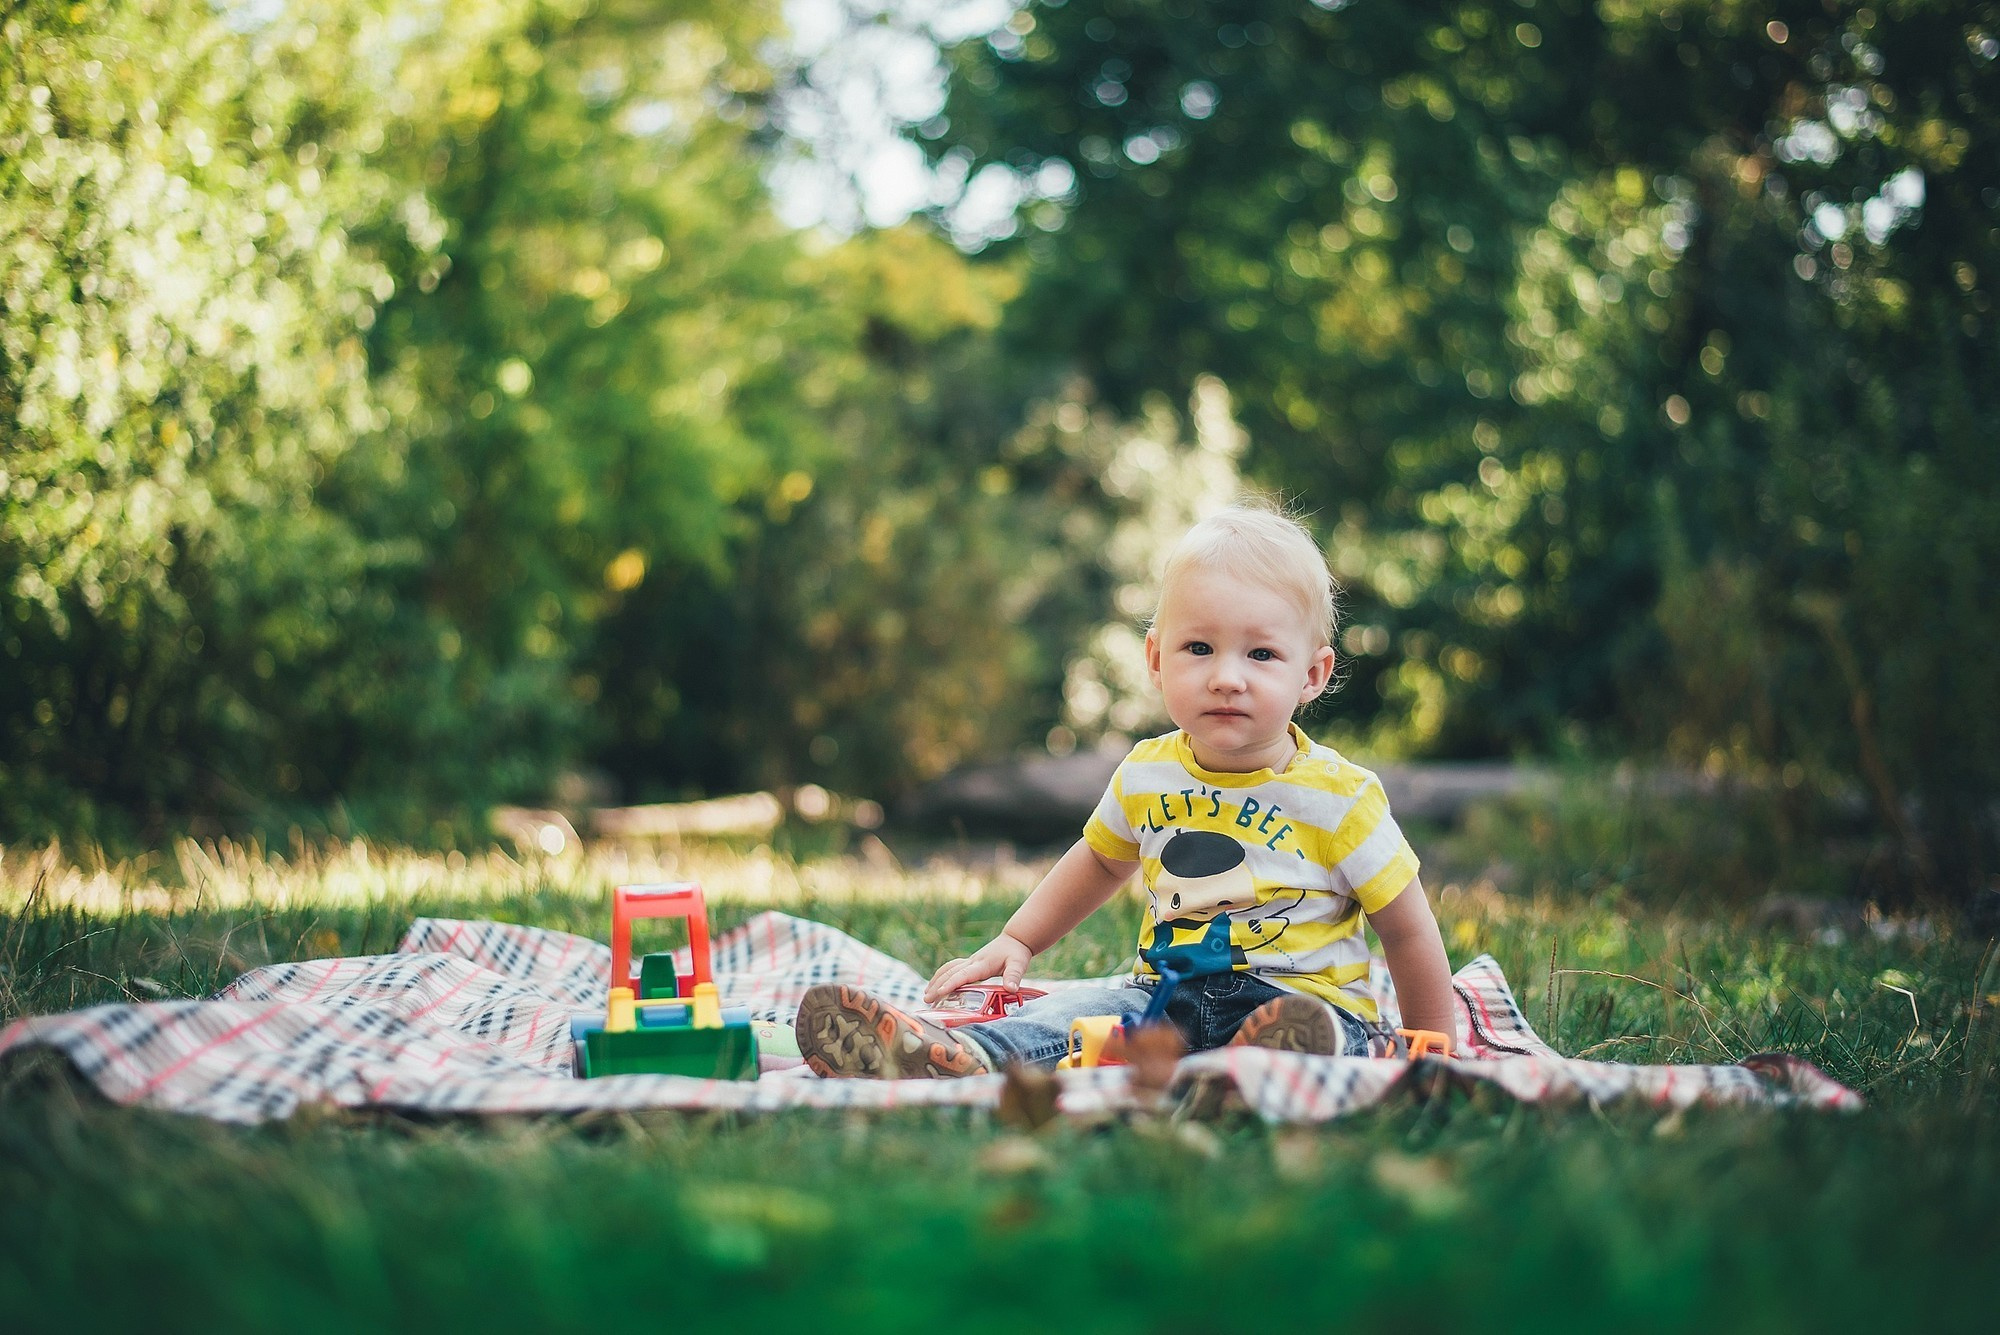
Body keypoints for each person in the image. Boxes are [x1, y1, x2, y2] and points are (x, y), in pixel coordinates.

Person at [794, 501, 1457, 1078]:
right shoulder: (1147, 773)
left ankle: (1281, 1060)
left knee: (1314, 1026)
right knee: (1077, 1014)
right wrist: (1018, 940)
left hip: (1303, 1001)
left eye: (1261, 654)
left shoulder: (1340, 796)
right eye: (1199, 647)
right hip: (1162, 993)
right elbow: (1099, 860)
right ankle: (957, 1052)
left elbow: (1407, 930)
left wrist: (1435, 1046)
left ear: (1311, 674)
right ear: (1155, 658)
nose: (1228, 676)